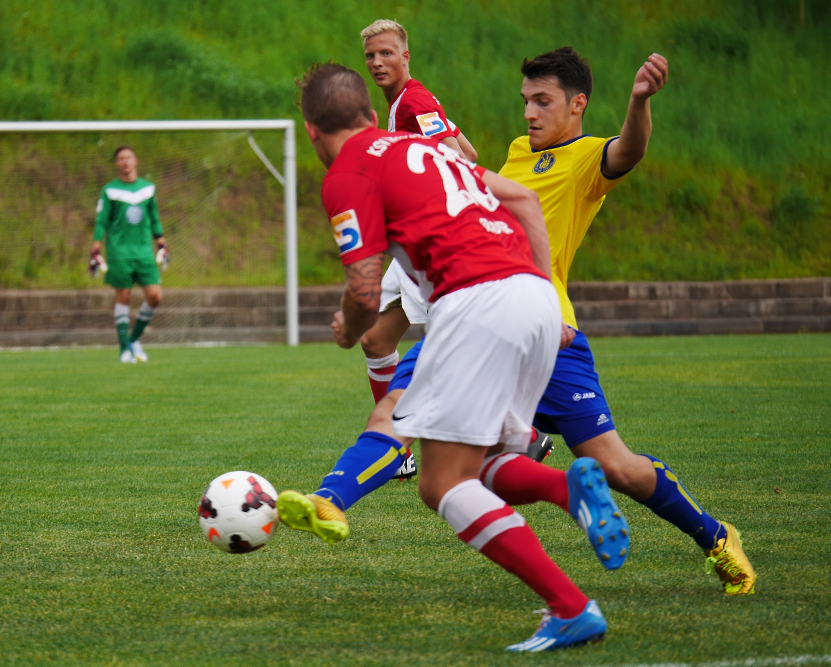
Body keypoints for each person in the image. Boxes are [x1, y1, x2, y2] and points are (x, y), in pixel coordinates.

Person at [278, 62, 628, 651]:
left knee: (440, 485)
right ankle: (568, 491)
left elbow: (365, 289)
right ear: (369, 112)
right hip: (536, 300)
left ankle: (570, 606)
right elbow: (518, 197)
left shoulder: (348, 170)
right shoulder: (424, 148)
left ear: (311, 132)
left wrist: (346, 328)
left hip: (475, 303)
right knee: (483, 460)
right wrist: (543, 287)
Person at [488, 47, 754, 596]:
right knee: (462, 461)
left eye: (543, 102)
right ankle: (529, 450)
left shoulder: (586, 157)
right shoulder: (518, 152)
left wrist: (639, 100)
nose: (530, 114)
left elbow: (628, 150)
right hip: (496, 331)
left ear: (577, 105)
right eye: (525, 102)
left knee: (619, 469)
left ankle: (716, 537)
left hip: (551, 334)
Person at [357, 20, 553, 477]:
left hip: (435, 241)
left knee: (445, 352)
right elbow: (469, 148)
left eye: (386, 53)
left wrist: (433, 196)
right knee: (377, 340)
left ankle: (513, 437)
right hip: (416, 242)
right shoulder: (410, 102)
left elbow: (452, 153)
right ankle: (405, 452)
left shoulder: (416, 101)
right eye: (370, 56)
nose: (377, 63)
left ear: (406, 56)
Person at [90, 146, 168, 363]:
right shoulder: (109, 190)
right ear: (116, 164)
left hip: (143, 252)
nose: (125, 162)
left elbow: (154, 218)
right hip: (119, 252)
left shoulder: (148, 188)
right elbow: (101, 221)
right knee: (123, 297)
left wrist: (161, 244)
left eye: (128, 158)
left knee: (155, 296)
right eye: (120, 158)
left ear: (136, 161)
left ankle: (132, 340)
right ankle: (124, 350)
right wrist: (95, 249)